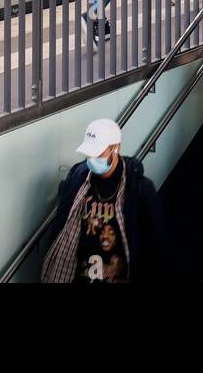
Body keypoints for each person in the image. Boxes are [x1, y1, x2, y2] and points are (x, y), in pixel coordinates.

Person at [41, 118, 164, 283]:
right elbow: (61, 229)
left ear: (116, 148)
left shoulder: (139, 189)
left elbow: (155, 244)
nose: (92, 158)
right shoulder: (77, 180)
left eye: (98, 152)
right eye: (89, 153)